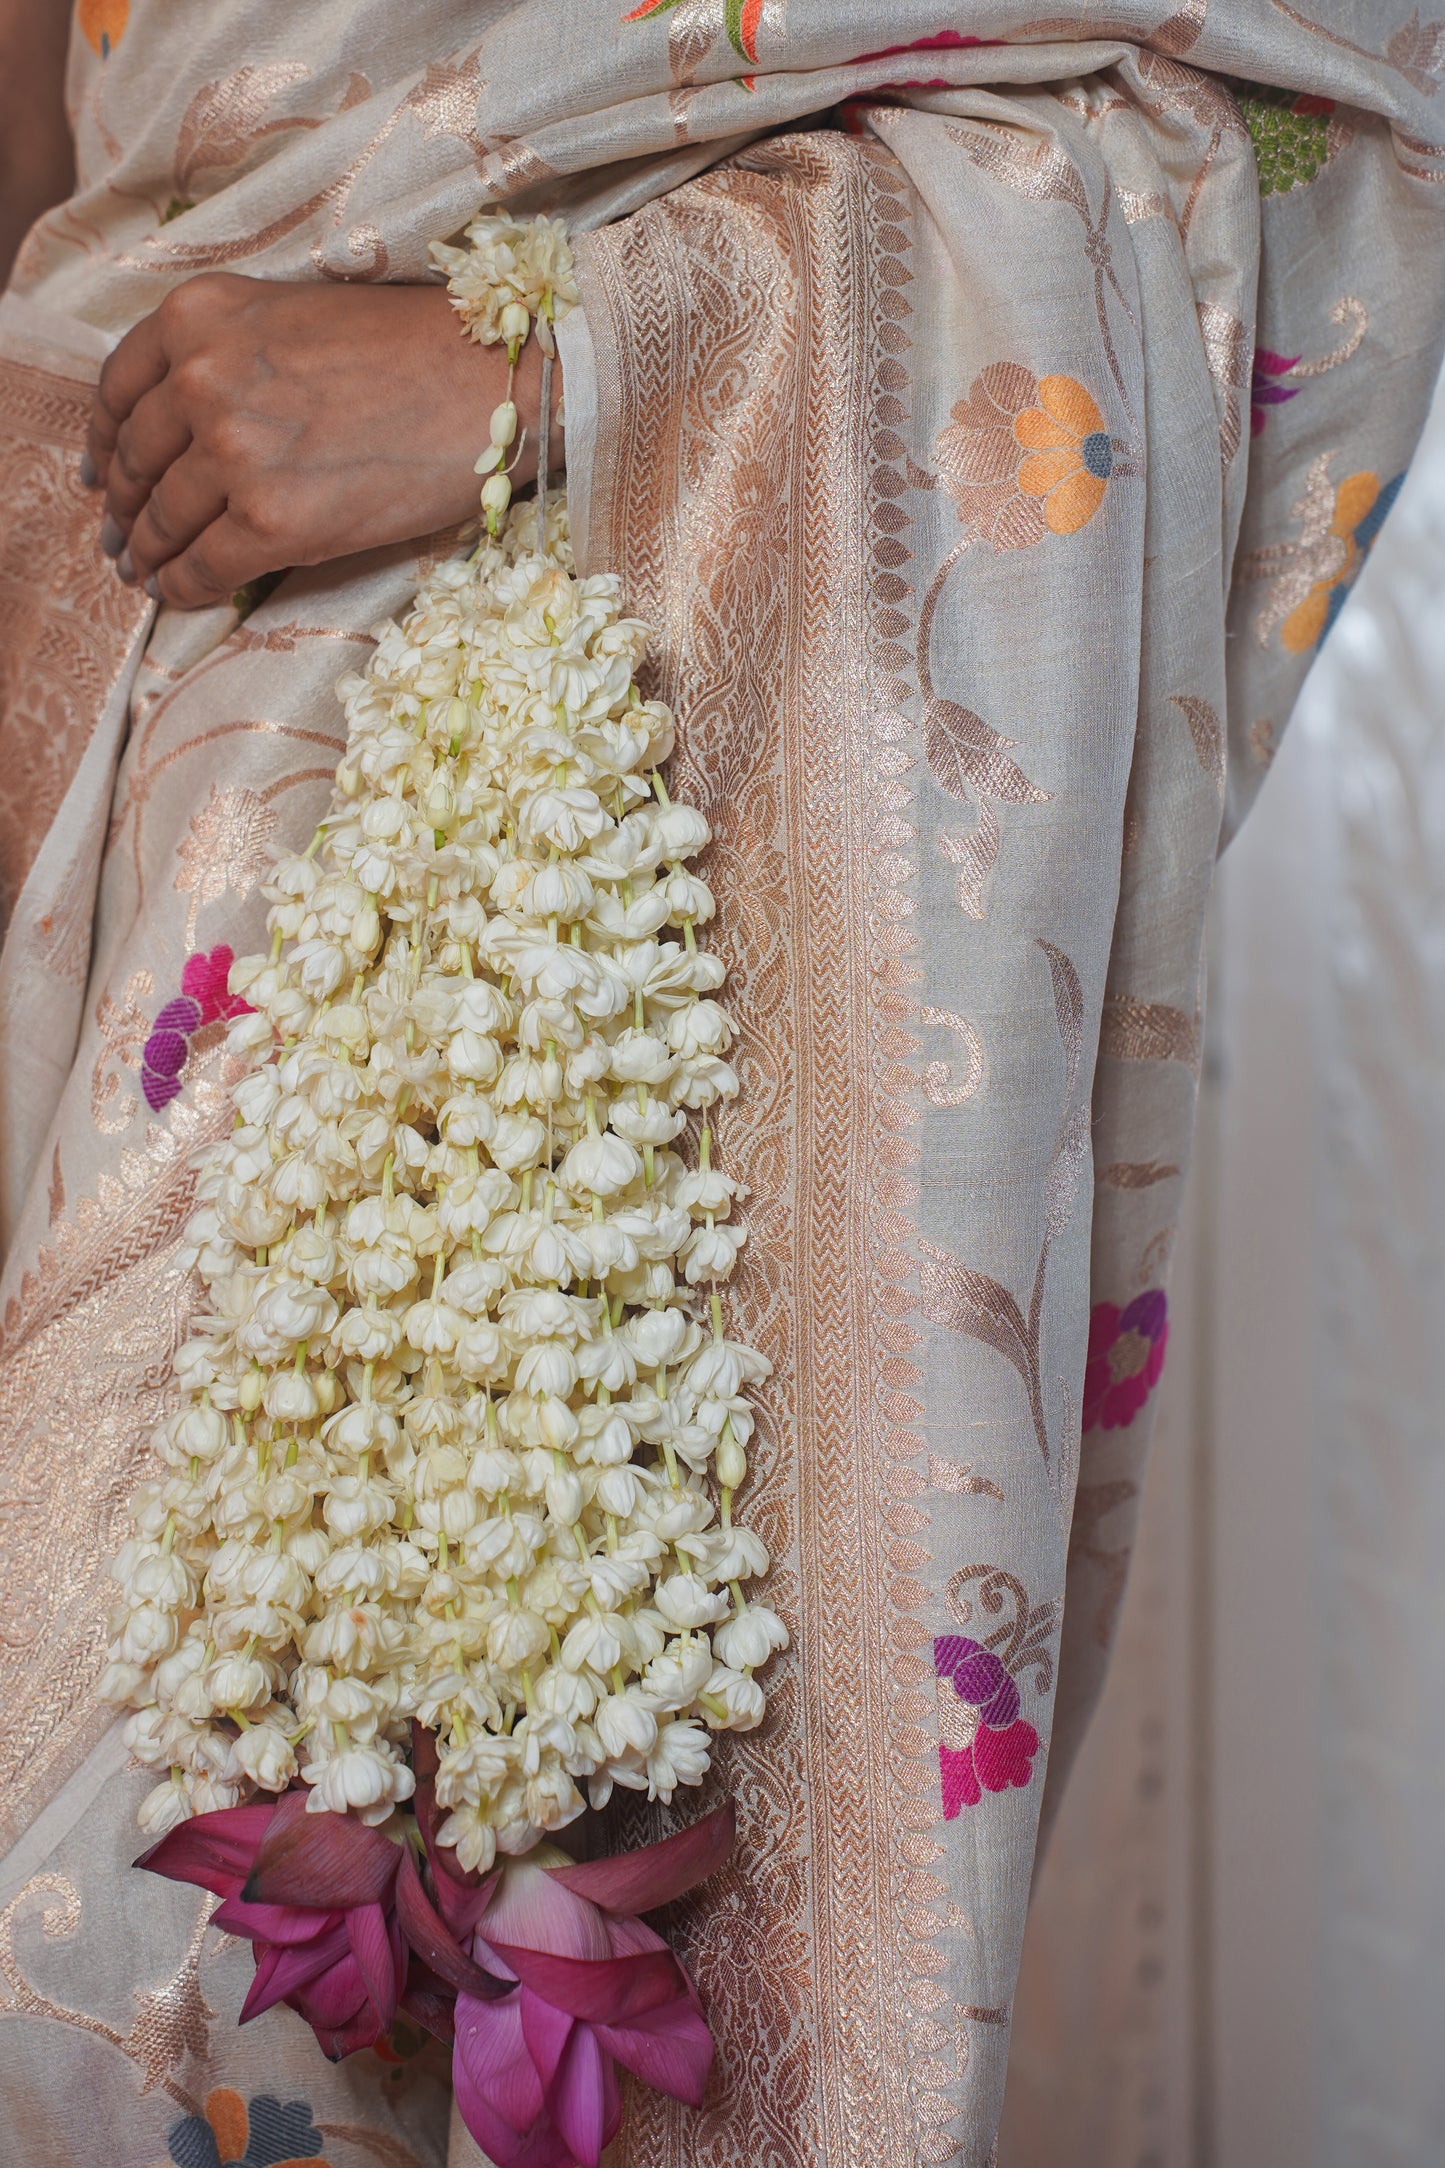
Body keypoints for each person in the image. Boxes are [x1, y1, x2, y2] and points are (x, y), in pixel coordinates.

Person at [1, 6, 1442, 2165]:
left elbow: (1305, 106)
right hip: (114, 621)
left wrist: (562, 356)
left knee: (178, 1962)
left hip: (679, 770)